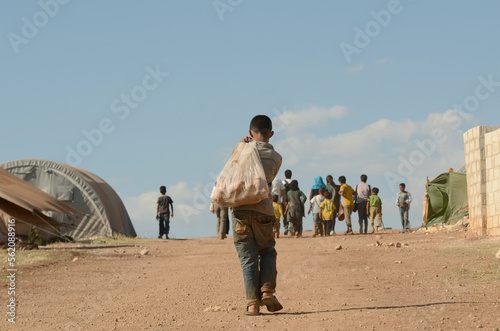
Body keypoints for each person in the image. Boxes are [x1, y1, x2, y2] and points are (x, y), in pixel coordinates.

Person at [231, 115, 283, 315]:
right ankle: (267, 290)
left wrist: (243, 144)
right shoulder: (276, 158)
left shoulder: (240, 150)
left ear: (249, 133)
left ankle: (253, 304)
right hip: (263, 210)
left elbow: (234, 170)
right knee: (267, 251)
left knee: (248, 258)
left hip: (240, 211)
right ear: (271, 134)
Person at [282, 169, 293, 235]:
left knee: (284, 214)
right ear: (291, 175)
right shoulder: (294, 182)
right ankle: (291, 229)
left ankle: (286, 227)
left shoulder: (283, 182)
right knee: (291, 215)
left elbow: (282, 192)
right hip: (292, 201)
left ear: (285, 175)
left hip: (285, 200)